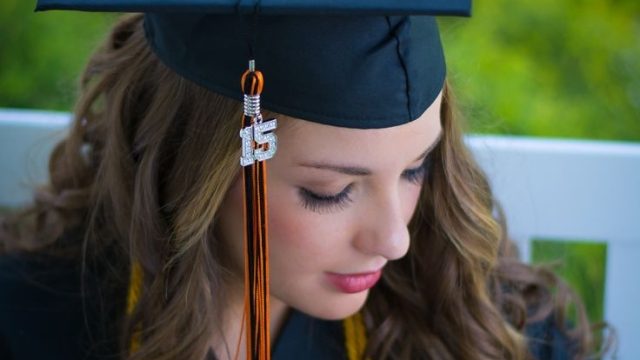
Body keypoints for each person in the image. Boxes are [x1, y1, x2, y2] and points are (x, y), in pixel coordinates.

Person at [0, 1, 608, 359]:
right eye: (330, 191)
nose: (395, 239)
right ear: (194, 173)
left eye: (416, 169)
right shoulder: (29, 322)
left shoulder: (480, 329)